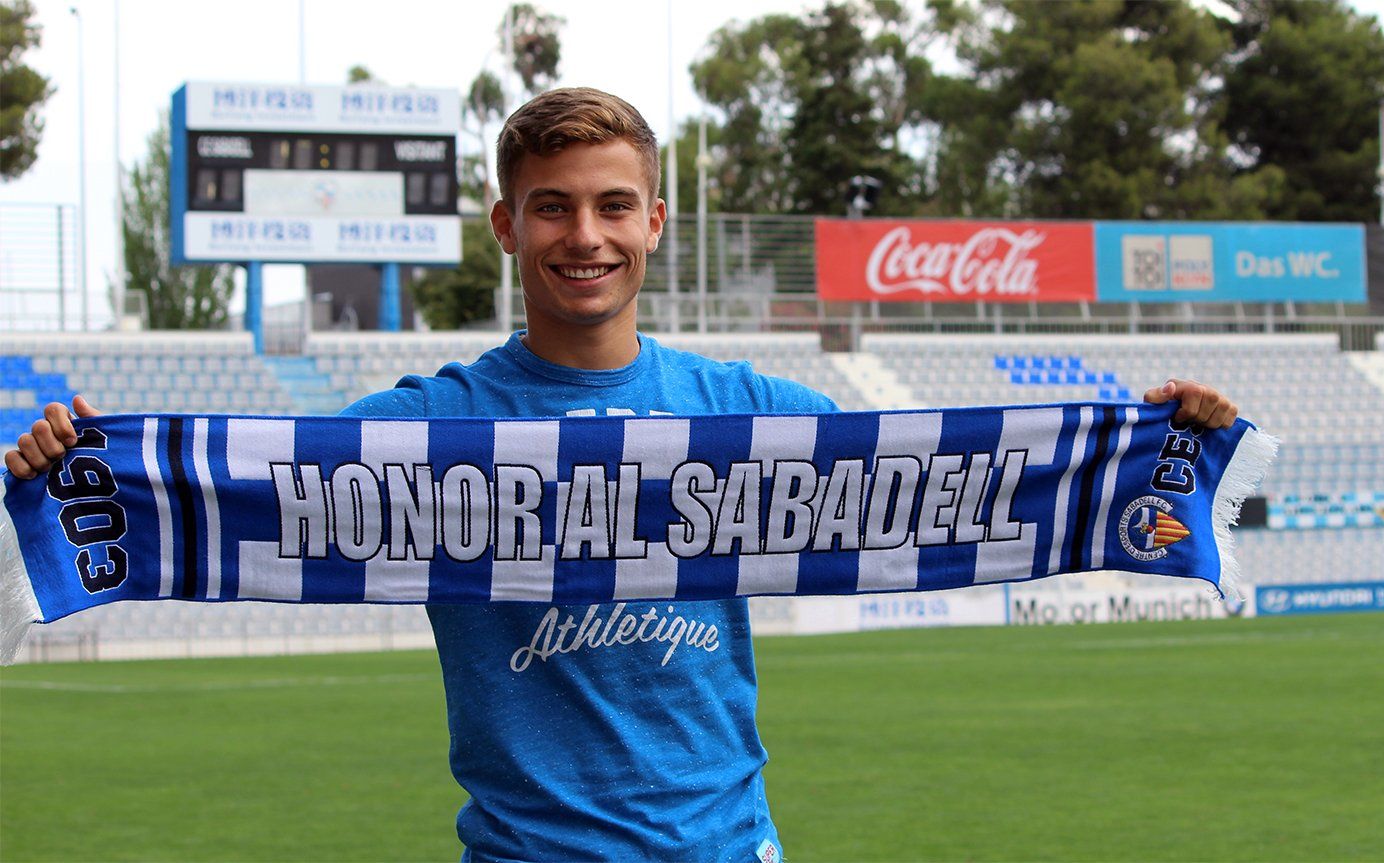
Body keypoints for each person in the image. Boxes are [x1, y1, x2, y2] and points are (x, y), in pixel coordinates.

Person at [5, 87, 1238, 862]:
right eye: (549, 207)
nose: (581, 236)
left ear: (653, 222)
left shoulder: (752, 412)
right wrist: (83, 467)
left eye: (610, 206)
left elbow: (956, 474)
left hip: (727, 846)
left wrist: (1156, 442)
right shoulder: (422, 433)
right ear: (505, 226)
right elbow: (245, 480)